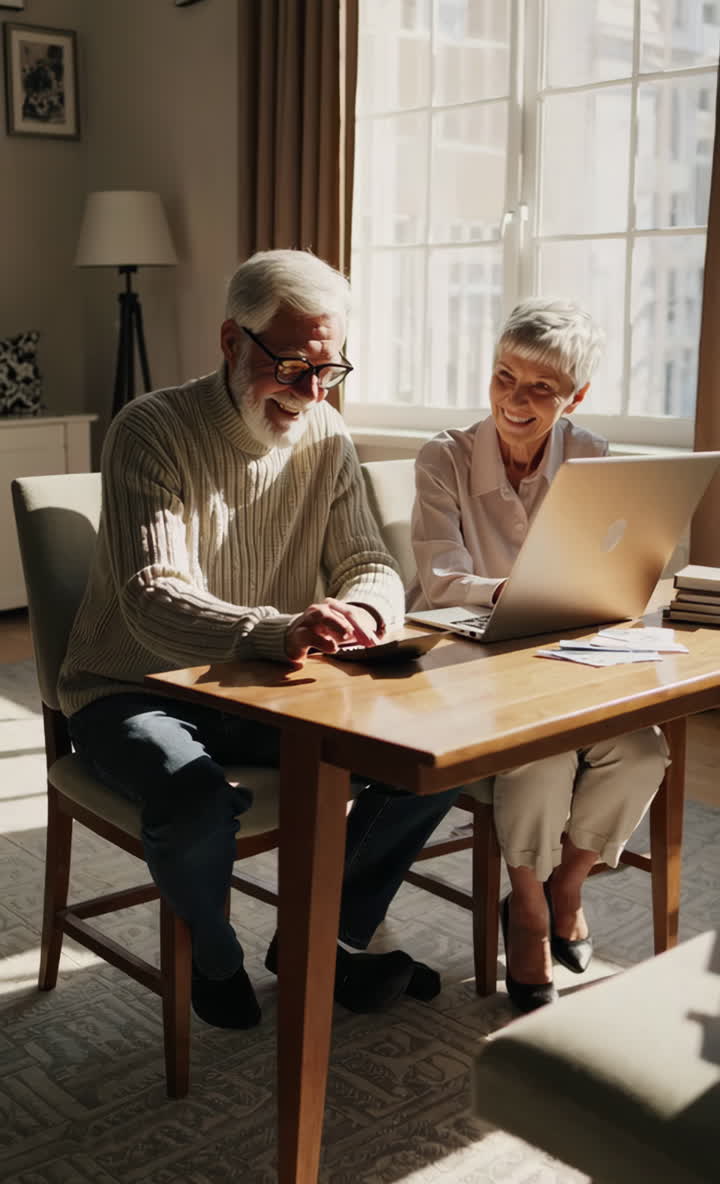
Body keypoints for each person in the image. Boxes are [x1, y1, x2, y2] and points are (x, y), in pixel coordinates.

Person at [59, 249, 459, 1030]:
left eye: (330, 370)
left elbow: (368, 559)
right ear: (230, 340)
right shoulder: (151, 429)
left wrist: (370, 610)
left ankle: (325, 934)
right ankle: (215, 953)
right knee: (194, 800)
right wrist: (277, 629)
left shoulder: (325, 436)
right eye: (293, 367)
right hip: (132, 685)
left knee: (436, 757)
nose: (312, 393)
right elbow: (152, 599)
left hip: (271, 686)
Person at [409, 298, 668, 1014]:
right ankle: (526, 908)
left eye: (540, 389)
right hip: (471, 666)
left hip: (568, 662)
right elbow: (439, 583)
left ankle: (568, 884)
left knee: (643, 754)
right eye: (503, 377)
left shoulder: (591, 456)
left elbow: (612, 570)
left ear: (575, 397)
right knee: (544, 756)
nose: (514, 401)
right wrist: (536, 592)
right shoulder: (446, 457)